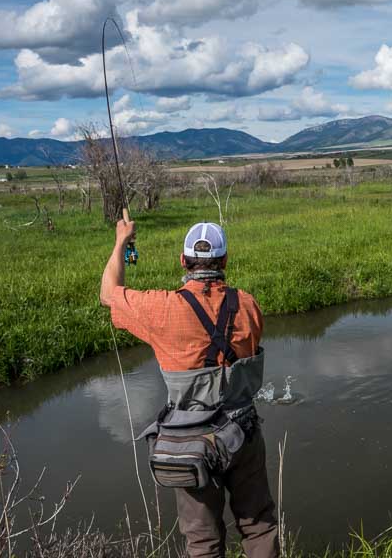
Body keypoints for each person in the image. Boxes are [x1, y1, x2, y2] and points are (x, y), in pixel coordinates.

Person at [100, 217, 279, 558]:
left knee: (203, 541)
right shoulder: (249, 305)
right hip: (243, 433)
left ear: (183, 262)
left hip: (189, 443)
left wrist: (122, 241)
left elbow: (108, 294)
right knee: (259, 525)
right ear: (225, 262)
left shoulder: (162, 308)